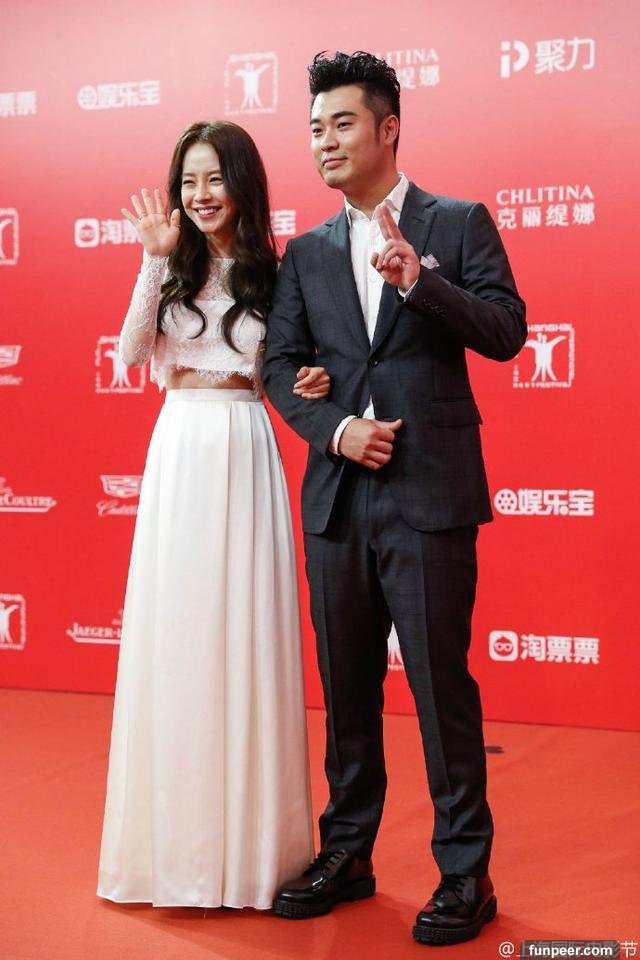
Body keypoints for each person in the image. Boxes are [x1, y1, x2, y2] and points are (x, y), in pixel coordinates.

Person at [262, 52, 527, 945]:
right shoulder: (305, 253)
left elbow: (507, 331)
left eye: (341, 124)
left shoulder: (458, 221)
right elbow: (280, 363)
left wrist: (420, 282)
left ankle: (465, 873)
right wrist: (336, 427)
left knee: (440, 686)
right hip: (339, 496)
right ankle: (348, 851)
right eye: (314, 129)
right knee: (346, 687)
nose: (324, 142)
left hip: (429, 495)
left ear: (388, 128)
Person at [97, 120, 328, 910]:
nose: (200, 195)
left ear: (242, 185)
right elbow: (132, 354)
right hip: (181, 448)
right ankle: (174, 855)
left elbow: (294, 366)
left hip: (245, 445)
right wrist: (153, 258)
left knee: (244, 633)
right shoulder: (169, 264)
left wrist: (313, 383)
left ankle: (253, 857)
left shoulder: (277, 272)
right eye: (188, 181)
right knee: (180, 635)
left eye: (214, 179)